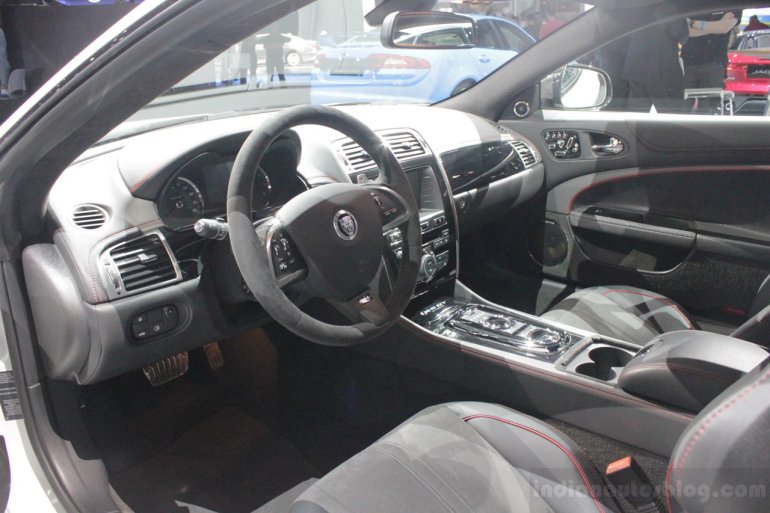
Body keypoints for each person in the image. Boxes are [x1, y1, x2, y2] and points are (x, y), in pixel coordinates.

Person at [623, 18, 690, 113]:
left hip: (637, 66)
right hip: (664, 68)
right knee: (672, 119)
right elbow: (682, 34)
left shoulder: (636, 4)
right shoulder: (670, 6)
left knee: (636, 118)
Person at [682, 11, 740, 114]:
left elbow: (724, 28)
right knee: (680, 107)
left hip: (715, 62)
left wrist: (693, 23)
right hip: (688, 62)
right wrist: (716, 27)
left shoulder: (731, 4)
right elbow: (686, 31)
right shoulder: (689, 4)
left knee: (708, 109)